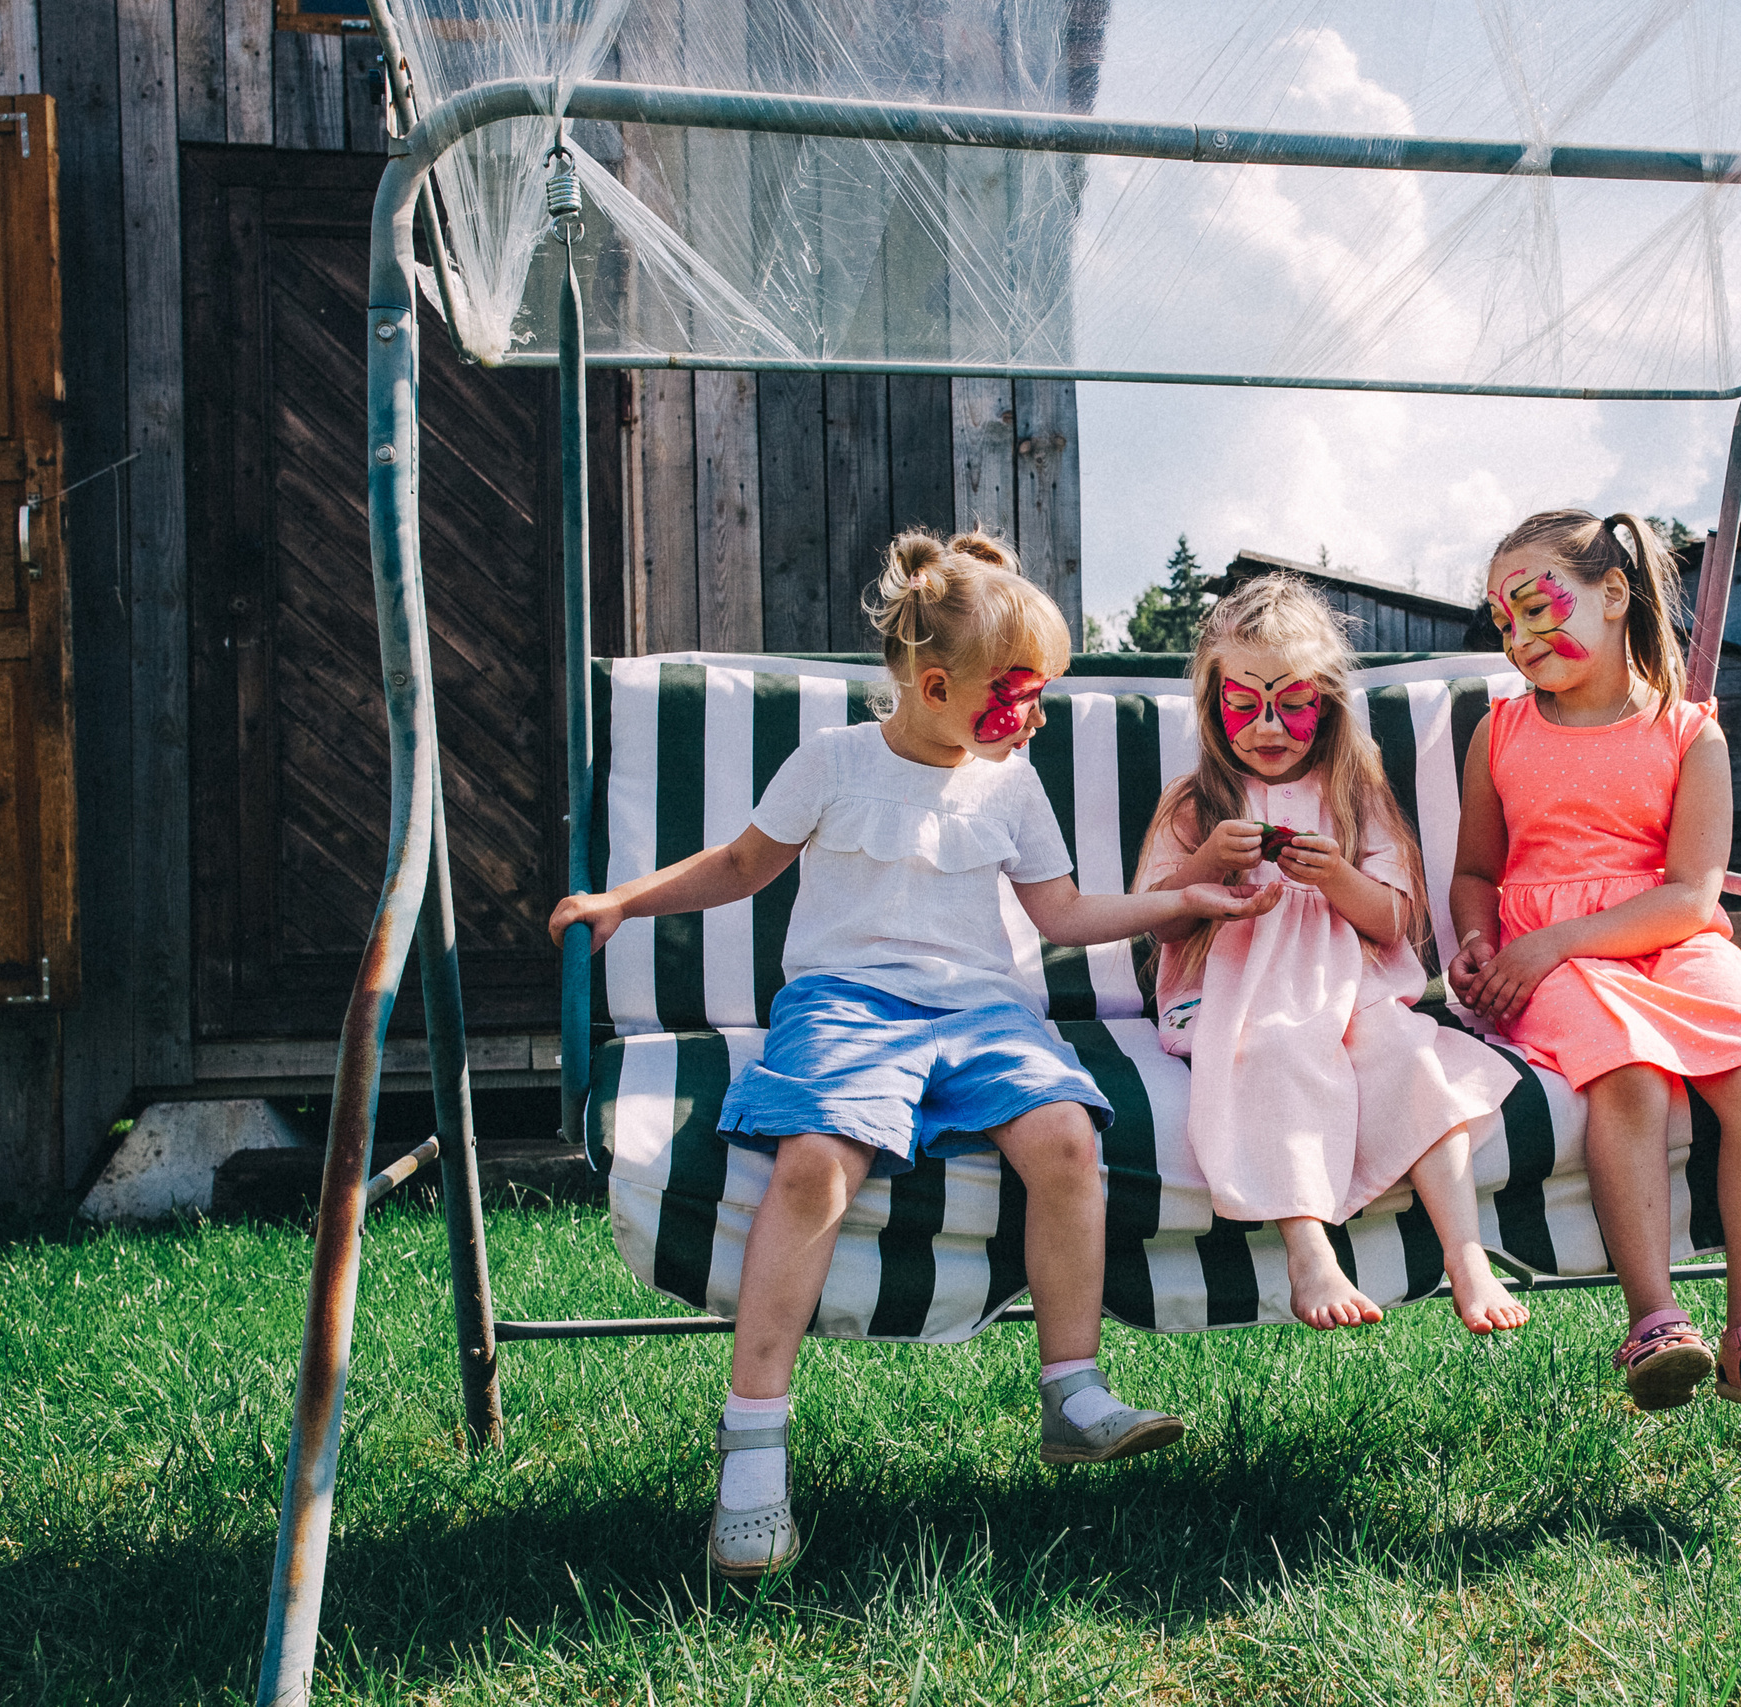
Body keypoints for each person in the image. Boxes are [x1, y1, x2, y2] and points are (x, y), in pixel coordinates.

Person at [549, 529, 1280, 1580]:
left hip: (983, 1013)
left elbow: (1063, 913)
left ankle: (1072, 1392)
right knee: (812, 1165)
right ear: (935, 685)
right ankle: (753, 1445)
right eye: (1017, 693)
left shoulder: (1009, 783)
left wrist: (1185, 900)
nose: (1031, 716)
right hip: (846, 1010)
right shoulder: (834, 763)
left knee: (1067, 1141)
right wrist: (624, 897)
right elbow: (744, 863)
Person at [1446, 511, 1741, 1418]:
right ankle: (1656, 1321)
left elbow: (1691, 898)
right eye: (1502, 622)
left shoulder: (1687, 733)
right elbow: (1476, 871)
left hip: (1667, 940)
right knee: (1626, 1075)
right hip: (1545, 959)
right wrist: (1478, 939)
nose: (1519, 638)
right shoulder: (1501, 733)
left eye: (1536, 607)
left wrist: (1557, 937)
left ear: (1616, 593)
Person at [1136, 575, 1528, 1335]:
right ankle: (1308, 1249)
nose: (1270, 725)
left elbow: (1393, 921)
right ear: (1216, 704)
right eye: (1245, 704)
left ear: (1328, 700)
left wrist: (1339, 877)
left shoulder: (1355, 793)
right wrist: (1207, 865)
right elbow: (1163, 924)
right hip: (1239, 995)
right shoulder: (1197, 805)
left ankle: (1466, 1252)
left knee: (1416, 1064)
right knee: (1275, 1051)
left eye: (1293, 702)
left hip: (1355, 991)